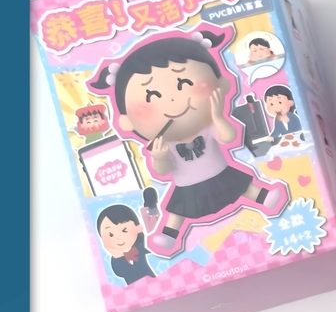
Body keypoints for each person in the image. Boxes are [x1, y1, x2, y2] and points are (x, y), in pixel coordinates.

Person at [89, 23, 285, 254]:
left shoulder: (208, 127)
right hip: (187, 185)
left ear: (221, 85)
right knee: (178, 210)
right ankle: (168, 235)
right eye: (151, 96)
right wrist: (160, 156)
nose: (172, 101)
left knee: (240, 186)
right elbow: (163, 170)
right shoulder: (165, 143)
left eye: (184, 83)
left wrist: (217, 116)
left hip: (220, 173)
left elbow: (228, 137)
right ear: (127, 121)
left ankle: (263, 197)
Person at [95, 204, 155, 284]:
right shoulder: (116, 259)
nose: (118, 238)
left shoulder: (142, 246)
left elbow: (154, 249)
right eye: (111, 235)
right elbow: (120, 272)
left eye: (124, 230)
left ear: (138, 228)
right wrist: (118, 255)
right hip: (134, 288)